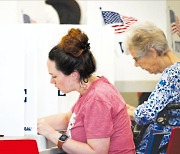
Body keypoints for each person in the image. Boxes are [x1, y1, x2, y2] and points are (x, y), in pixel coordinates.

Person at [37, 28, 135, 154]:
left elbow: (97, 152)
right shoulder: (92, 88)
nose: (52, 81)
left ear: (73, 74)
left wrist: (52, 134)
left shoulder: (97, 98)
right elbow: (69, 118)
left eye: (54, 76)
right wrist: (37, 124)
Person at [124, 21, 180, 153]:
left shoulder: (173, 74)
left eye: (136, 58)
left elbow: (146, 114)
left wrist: (127, 112)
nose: (136, 65)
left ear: (152, 52)